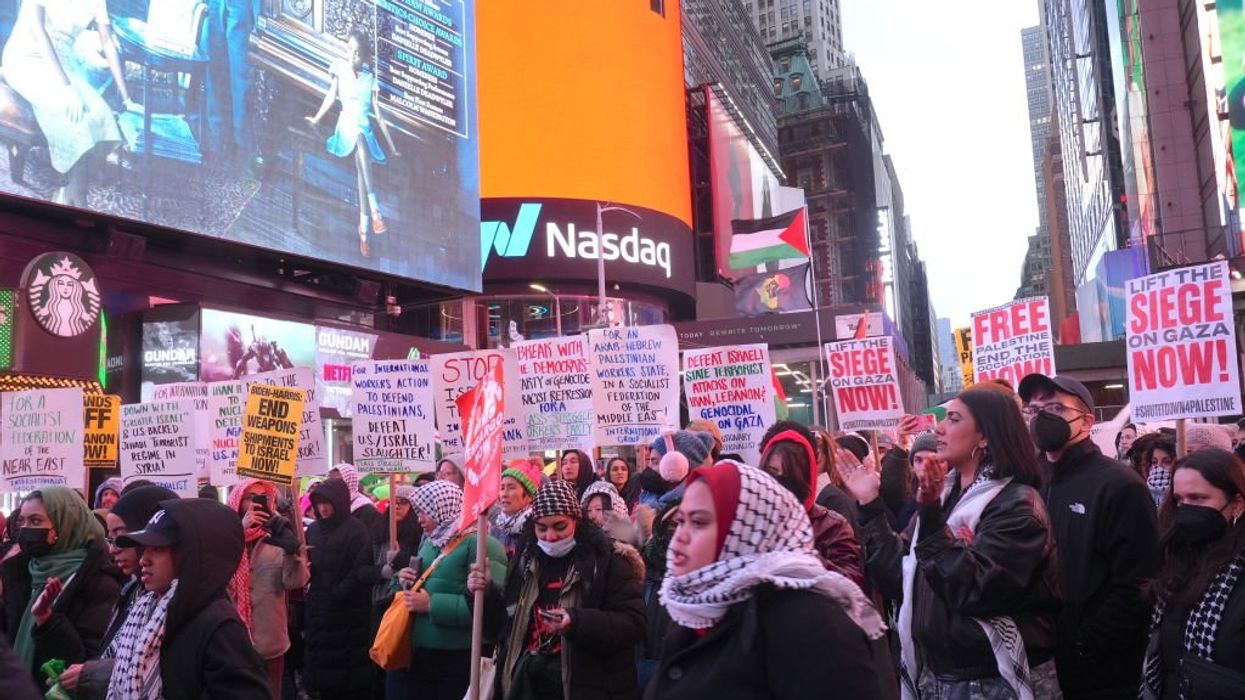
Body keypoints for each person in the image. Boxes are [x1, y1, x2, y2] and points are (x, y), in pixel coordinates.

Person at [847, 387, 1061, 699]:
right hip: (936, 675)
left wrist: (932, 519)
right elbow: (897, 575)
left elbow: (976, 590)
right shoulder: (946, 497)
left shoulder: (1017, 505)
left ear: (984, 436)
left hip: (991, 680)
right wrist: (870, 506)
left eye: (954, 419)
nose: (939, 428)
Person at [645, 461, 886, 699]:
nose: (680, 536)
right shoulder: (694, 613)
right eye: (680, 521)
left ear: (745, 532)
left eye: (699, 522)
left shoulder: (808, 624)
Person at [1019, 373, 1160, 699]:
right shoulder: (1030, 482)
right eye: (1034, 409)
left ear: (1086, 421)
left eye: (1055, 407)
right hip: (1042, 665)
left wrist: (1083, 644)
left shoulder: (1119, 484)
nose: (1041, 417)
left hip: (1102, 674)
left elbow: (1139, 582)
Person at [468, 481, 646, 700]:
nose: (550, 536)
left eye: (560, 526)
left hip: (588, 687)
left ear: (577, 521)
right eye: (542, 528)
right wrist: (484, 594)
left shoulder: (609, 560)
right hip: (529, 685)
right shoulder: (525, 561)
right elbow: (503, 629)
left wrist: (576, 622)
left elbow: (633, 624)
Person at [108, 498, 270, 698]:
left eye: (157, 549)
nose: (144, 559)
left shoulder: (219, 626)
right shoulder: (149, 610)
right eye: (144, 548)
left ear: (191, 555)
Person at [1, 0, 133, 207]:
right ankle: (77, 199)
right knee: (75, 118)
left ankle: (67, 192)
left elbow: (107, 43)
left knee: (102, 115)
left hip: (64, 64)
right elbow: (39, 31)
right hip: (25, 59)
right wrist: (67, 88)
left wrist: (127, 98)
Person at [1141, 448, 1245, 698]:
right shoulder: (1178, 557)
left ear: (1237, 504)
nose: (1186, 509)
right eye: (1180, 500)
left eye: (1198, 498)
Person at [61, 484, 176, 699]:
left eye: (122, 536)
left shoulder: (181, 604)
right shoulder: (133, 591)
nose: (113, 549)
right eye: (110, 539)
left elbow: (163, 666)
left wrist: (91, 674)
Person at [396, 480, 507, 700]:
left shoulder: (481, 544)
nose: (419, 519)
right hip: (423, 653)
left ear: (442, 508)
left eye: (425, 512)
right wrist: (402, 580)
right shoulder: (431, 543)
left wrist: (432, 605)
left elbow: (490, 608)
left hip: (461, 657)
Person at [1, 487, 121, 680]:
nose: (25, 529)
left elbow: (84, 664)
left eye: (36, 521)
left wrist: (47, 620)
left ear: (65, 524)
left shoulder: (99, 582)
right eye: (22, 521)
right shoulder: (23, 572)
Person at [306, 28, 400, 257]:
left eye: (357, 53)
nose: (352, 56)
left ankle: (364, 229)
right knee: (358, 139)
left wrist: (392, 146)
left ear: (365, 57)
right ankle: (375, 210)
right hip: (346, 128)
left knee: (362, 164)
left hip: (365, 131)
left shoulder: (370, 79)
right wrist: (316, 118)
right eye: (349, 49)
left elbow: (379, 115)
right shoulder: (339, 67)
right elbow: (331, 95)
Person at [227, 478, 310, 698]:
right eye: (249, 498)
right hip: (234, 642)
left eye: (261, 498)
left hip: (270, 641)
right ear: (238, 502)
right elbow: (217, 579)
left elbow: (296, 582)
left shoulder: (277, 536)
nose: (255, 503)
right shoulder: (225, 538)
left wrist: (293, 552)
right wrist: (238, 532)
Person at [759, 421, 865, 588]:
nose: (779, 481)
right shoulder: (751, 523)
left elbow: (852, 582)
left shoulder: (832, 526)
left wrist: (803, 555)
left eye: (790, 474)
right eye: (772, 472)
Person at [304, 477, 375, 698]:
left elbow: (360, 567)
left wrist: (339, 592)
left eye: (328, 503)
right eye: (319, 504)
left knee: (346, 674)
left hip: (347, 612)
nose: (323, 509)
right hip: (318, 609)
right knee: (323, 668)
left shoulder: (356, 530)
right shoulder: (313, 530)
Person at [493, 460, 541, 559]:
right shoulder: (496, 528)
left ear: (529, 495)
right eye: (502, 488)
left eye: (511, 488)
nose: (504, 494)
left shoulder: (537, 529)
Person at [330, 462, 386, 542]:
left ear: (349, 482)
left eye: (338, 481)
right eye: (331, 481)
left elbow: (373, 540)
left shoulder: (367, 510)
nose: (333, 485)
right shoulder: (329, 506)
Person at [1148, 436, 1179, 508]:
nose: (1159, 467)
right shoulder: (1143, 495)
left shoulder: (1183, 498)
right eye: (1154, 462)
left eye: (1167, 462)